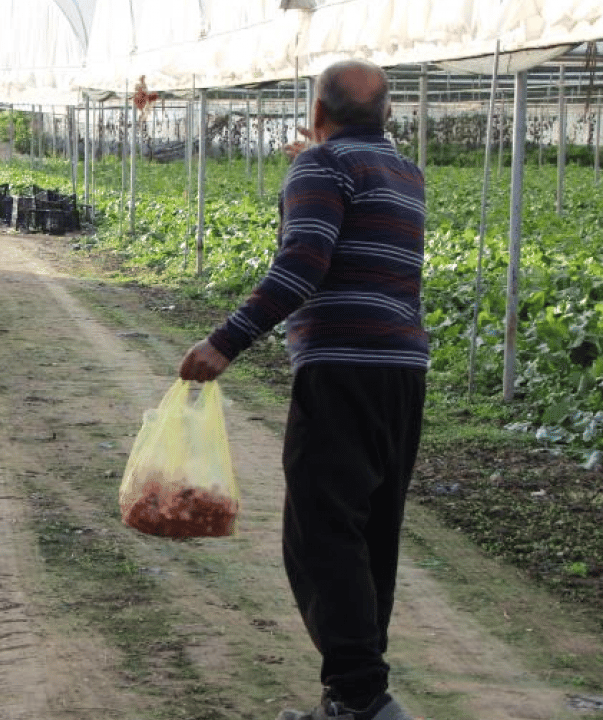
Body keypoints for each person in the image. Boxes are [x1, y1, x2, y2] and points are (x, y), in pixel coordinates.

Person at [179, 58, 427, 720]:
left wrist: (224, 341)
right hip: (403, 372)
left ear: (317, 114)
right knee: (370, 531)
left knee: (320, 535)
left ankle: (361, 698)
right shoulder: (404, 172)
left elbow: (302, 265)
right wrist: (316, 163)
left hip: (342, 370)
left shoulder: (322, 167)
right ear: (389, 115)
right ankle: (352, 696)